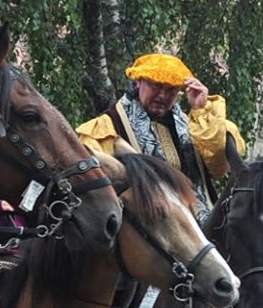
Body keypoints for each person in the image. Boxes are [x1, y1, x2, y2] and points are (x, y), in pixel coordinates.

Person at [77, 52, 240, 211]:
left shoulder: (193, 125)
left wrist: (202, 108)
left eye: (171, 90)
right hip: (141, 226)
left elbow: (218, 166)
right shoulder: (107, 127)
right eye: (156, 85)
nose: (162, 95)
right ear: (138, 82)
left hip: (193, 223)